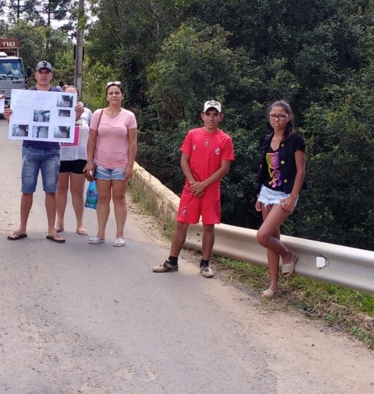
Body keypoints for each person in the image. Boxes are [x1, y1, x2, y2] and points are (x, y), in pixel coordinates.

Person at [4, 61, 83, 243]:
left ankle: (51, 230)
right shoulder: (25, 96)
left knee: (50, 190)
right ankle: (22, 227)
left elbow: (68, 122)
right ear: (36, 75)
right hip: (30, 148)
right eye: (41, 72)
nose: (44, 75)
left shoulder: (59, 95)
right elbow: (17, 124)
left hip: (52, 151)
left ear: (51, 75)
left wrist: (77, 113)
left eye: (47, 72)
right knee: (27, 190)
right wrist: (9, 117)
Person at [153, 100, 234, 277]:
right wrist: (192, 182)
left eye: (215, 114)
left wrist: (203, 184)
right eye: (208, 114)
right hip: (191, 187)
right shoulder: (192, 134)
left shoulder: (225, 140)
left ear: (221, 117)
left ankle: (205, 263)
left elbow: (224, 168)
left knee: (208, 226)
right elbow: (184, 160)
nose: (211, 118)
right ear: (202, 115)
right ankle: (172, 261)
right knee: (181, 223)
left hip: (211, 189)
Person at [254, 100, 305, 298]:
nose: (277, 119)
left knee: (263, 236)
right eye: (273, 115)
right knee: (272, 238)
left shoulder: (295, 140)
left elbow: (301, 171)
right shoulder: (267, 139)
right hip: (267, 192)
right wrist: (259, 194)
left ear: (289, 117)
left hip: (284, 194)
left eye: (281, 116)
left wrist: (293, 197)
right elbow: (265, 170)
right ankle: (274, 286)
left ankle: (287, 255)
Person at [84, 81, 138, 247]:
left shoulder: (129, 116)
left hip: (120, 164)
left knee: (119, 198)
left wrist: (130, 165)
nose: (114, 95)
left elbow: (133, 142)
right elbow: (92, 139)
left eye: (117, 93)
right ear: (106, 96)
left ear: (122, 95)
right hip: (101, 163)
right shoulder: (99, 114)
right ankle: (100, 233)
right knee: (103, 199)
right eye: (111, 93)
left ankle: (120, 234)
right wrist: (89, 161)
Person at [55, 85, 91, 236]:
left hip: (79, 156)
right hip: (61, 155)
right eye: (67, 94)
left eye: (74, 94)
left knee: (77, 191)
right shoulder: (57, 111)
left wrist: (91, 159)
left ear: (78, 96)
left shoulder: (87, 113)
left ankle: (79, 223)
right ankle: (60, 221)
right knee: (60, 190)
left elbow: (94, 136)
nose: (71, 97)